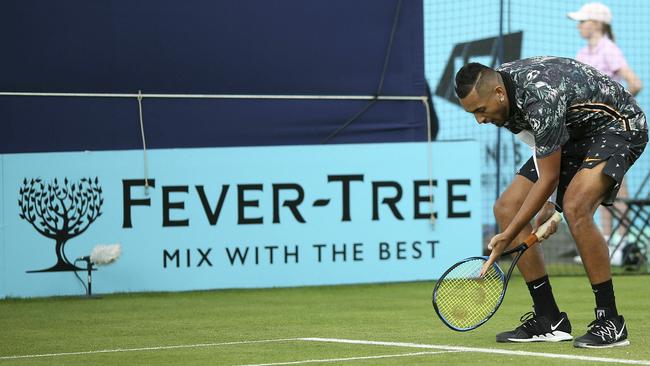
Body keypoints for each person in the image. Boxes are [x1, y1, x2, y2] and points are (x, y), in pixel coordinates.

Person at [454, 56, 647, 348]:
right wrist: (547, 207)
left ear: (498, 94)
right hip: (571, 133)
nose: (479, 120)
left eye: (480, 110)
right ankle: (548, 319)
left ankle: (610, 321)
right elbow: (541, 150)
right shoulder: (503, 102)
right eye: (473, 114)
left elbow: (548, 179)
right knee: (506, 208)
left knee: (576, 207)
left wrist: (509, 235)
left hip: (618, 125)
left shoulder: (539, 95)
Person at [568, 2, 643, 242]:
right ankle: (608, 240)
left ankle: (624, 240)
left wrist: (617, 111)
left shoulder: (609, 49)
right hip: (592, 132)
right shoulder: (582, 54)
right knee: (596, 183)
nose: (579, 26)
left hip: (615, 130)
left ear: (598, 24)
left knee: (619, 185)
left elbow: (635, 83)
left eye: (583, 21)